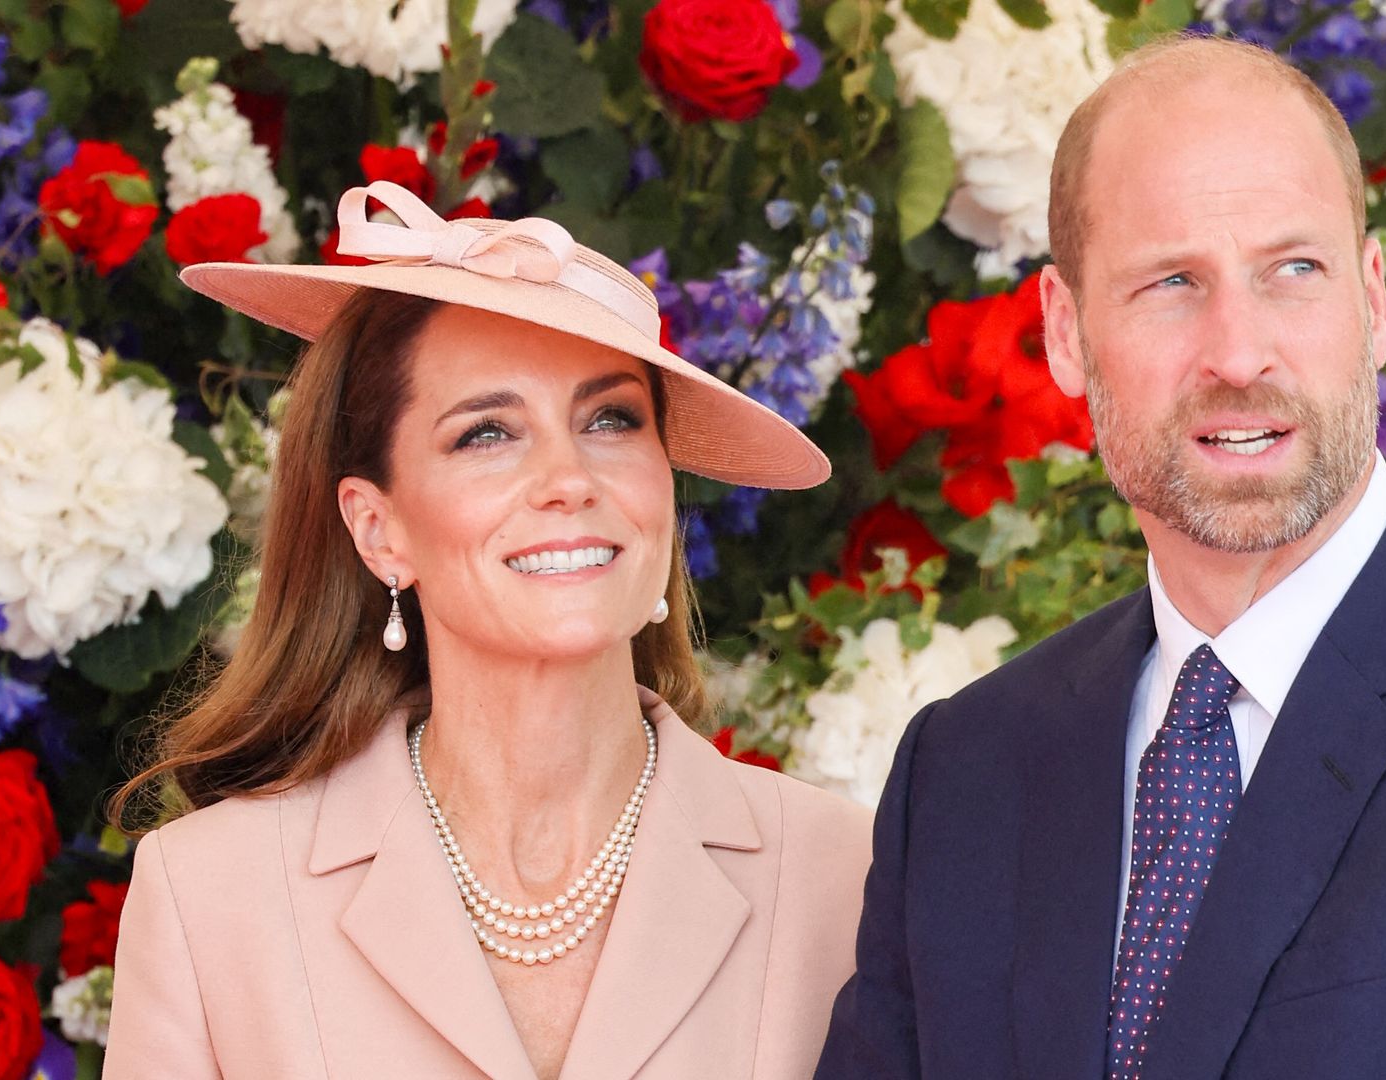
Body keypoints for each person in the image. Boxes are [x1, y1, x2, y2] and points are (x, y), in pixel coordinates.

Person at [815, 34, 1386, 1080]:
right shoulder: (963, 772)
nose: (1238, 351)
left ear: (1372, 299)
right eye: (1171, 281)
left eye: (1292, 271)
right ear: (1066, 333)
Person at [104, 181, 872, 1080]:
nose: (568, 477)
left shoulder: (846, 873)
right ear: (376, 528)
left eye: (611, 419)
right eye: (486, 434)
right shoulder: (208, 896)